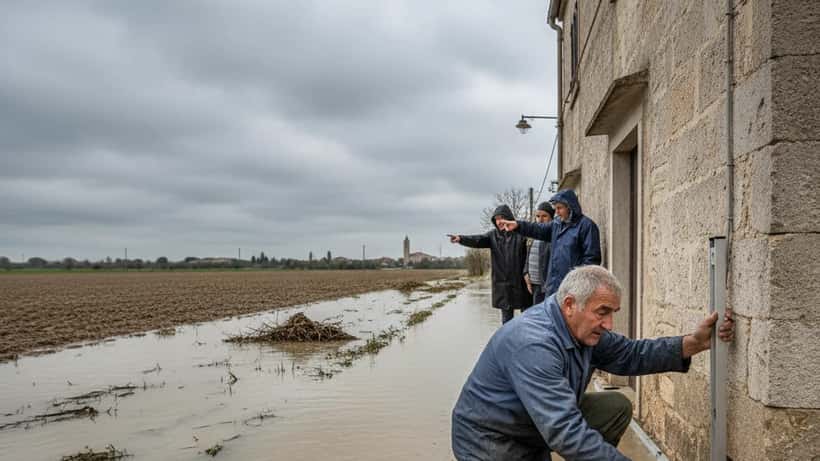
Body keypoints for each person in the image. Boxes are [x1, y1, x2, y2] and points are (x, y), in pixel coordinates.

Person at [451, 266, 734, 461]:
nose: (609, 324)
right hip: (492, 440)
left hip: (532, 424)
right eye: (602, 312)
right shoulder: (532, 343)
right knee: (569, 436)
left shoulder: (583, 329)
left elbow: (631, 354)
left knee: (615, 407)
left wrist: (694, 343)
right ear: (570, 304)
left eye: (613, 313)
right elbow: (564, 430)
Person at [497, 188, 601, 296]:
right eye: (555, 208)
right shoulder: (557, 224)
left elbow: (591, 260)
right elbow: (537, 228)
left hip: (573, 288)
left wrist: (580, 285)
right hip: (553, 287)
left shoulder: (586, 226)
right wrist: (518, 225)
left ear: (570, 207)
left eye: (559, 208)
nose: (556, 212)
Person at [449, 204, 529, 324]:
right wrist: (461, 239)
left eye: (501, 218)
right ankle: (506, 341)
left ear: (508, 217)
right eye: (496, 219)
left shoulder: (521, 234)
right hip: (503, 284)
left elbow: (530, 255)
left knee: (526, 318)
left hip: (520, 283)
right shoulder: (493, 236)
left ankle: (526, 341)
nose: (499, 222)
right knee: (506, 321)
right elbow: (478, 240)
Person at [523, 201, 554, 306]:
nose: (540, 219)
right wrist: (525, 272)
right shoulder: (532, 235)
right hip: (533, 284)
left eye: (544, 216)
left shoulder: (553, 236)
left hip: (547, 286)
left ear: (551, 217)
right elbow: (528, 256)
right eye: (537, 216)